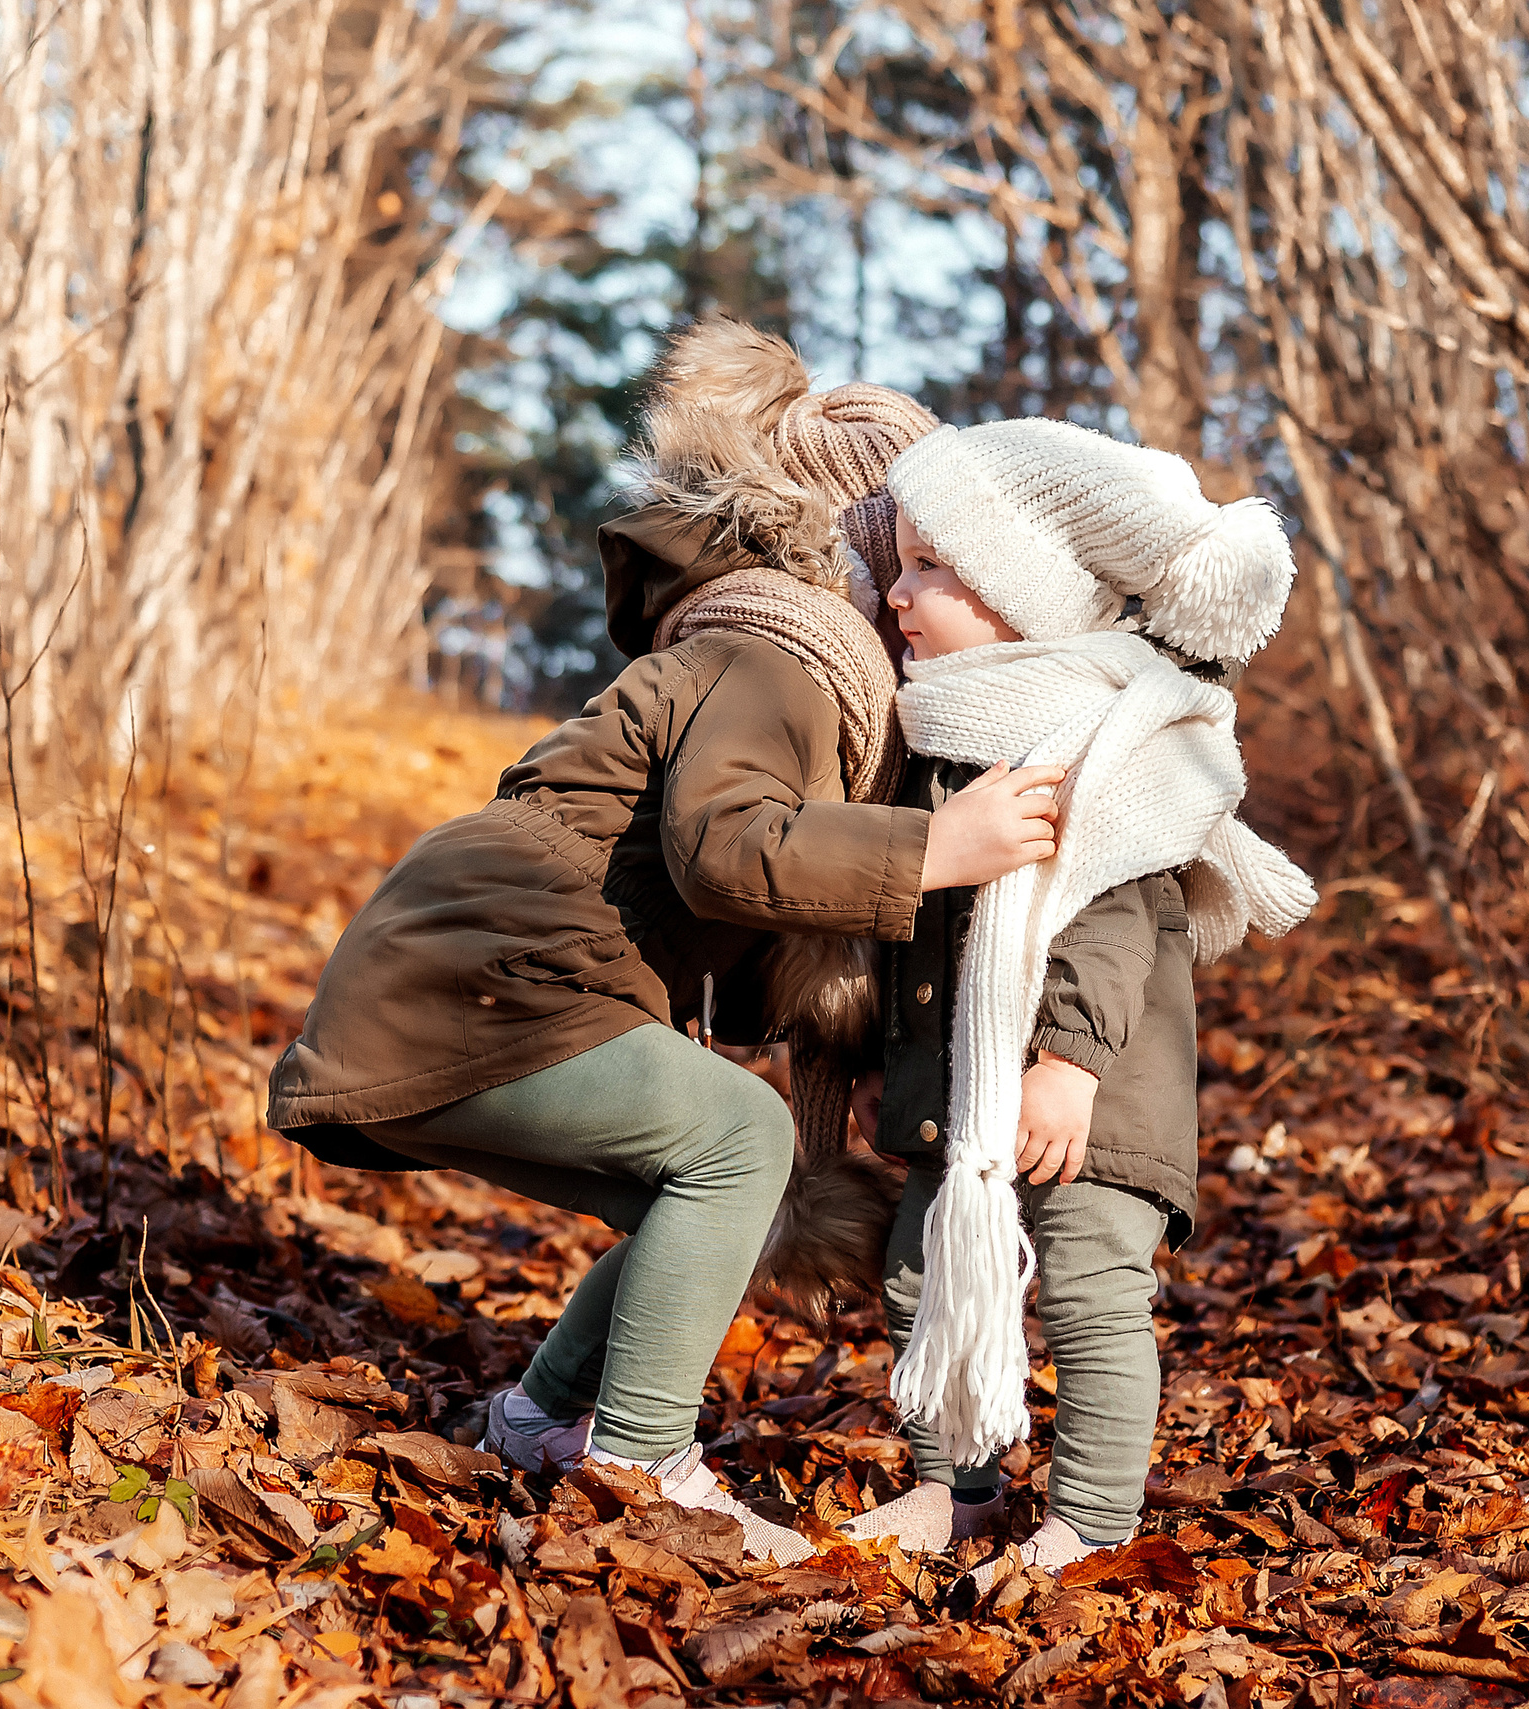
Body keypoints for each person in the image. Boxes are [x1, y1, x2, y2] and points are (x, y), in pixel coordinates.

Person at [264, 323, 1067, 1564]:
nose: (916, 593)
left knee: (702, 1192)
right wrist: (931, 852)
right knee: (738, 1139)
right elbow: (727, 846)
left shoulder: (777, 649)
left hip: (471, 967)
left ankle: (540, 1420)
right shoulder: (780, 652)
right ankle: (642, 1459)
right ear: (850, 532)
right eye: (906, 552)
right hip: (494, 963)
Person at [835, 418, 1316, 1575]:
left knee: (1093, 1288)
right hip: (961, 1090)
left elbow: (1110, 921)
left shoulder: (1095, 737)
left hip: (1093, 1091)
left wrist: (1067, 1061)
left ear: (1021, 590)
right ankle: (952, 1484)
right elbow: (911, 924)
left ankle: (1094, 1514)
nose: (897, 593)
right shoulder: (944, 729)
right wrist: (877, 1065)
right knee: (919, 1272)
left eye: (929, 567)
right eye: (895, 565)